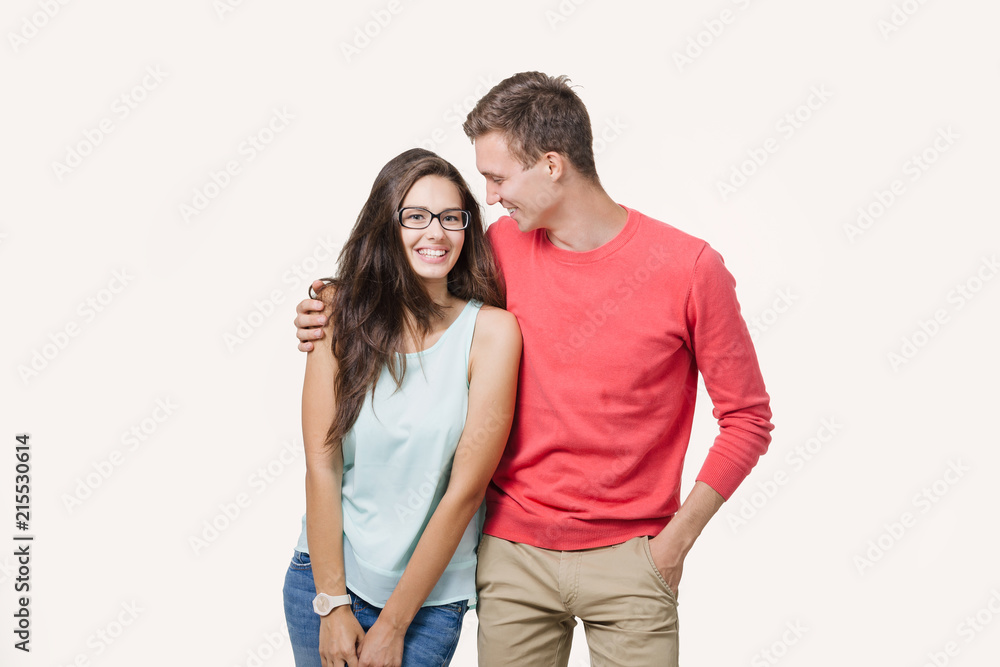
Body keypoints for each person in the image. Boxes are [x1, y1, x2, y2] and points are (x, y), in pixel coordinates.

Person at [295, 73, 773, 667]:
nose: (489, 196)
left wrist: (675, 544)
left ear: (551, 165)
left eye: (497, 177)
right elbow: (412, 290)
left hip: (635, 559)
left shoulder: (689, 268)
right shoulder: (499, 250)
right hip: (511, 556)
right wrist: (330, 303)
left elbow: (747, 420)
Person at [282, 148, 522, 667]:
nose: (435, 233)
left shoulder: (491, 333)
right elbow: (321, 467)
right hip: (323, 581)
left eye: (451, 218)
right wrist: (332, 604)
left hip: (429, 602)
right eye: (415, 216)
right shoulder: (334, 314)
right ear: (384, 224)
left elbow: (465, 490)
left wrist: (394, 624)